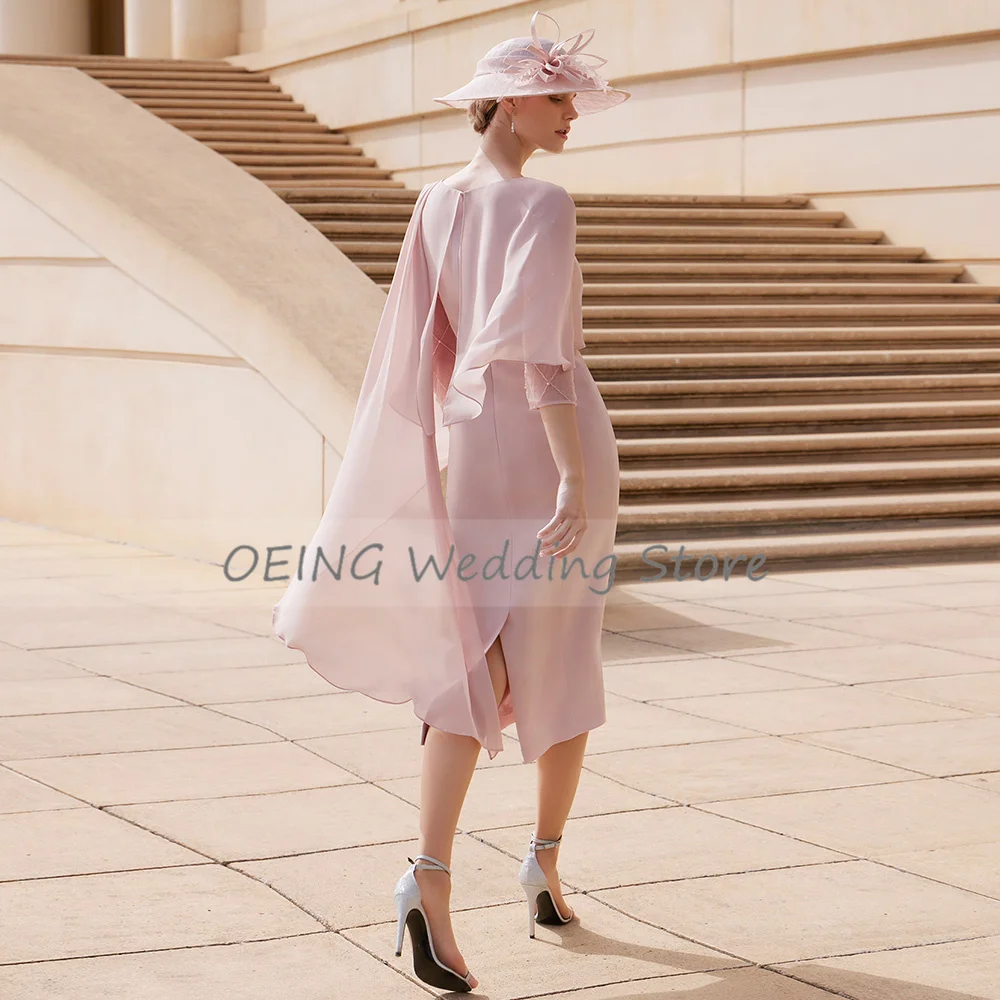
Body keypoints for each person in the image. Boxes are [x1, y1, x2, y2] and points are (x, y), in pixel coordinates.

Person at [271, 9, 629, 993]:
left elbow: (430, 346)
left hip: (471, 441)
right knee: (561, 654)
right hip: (552, 446)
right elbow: (548, 362)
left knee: (474, 658)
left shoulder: (433, 201)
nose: (571, 117)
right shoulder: (542, 207)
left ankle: (435, 875)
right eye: (559, 98)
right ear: (510, 101)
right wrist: (567, 471)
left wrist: (450, 447)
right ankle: (535, 863)